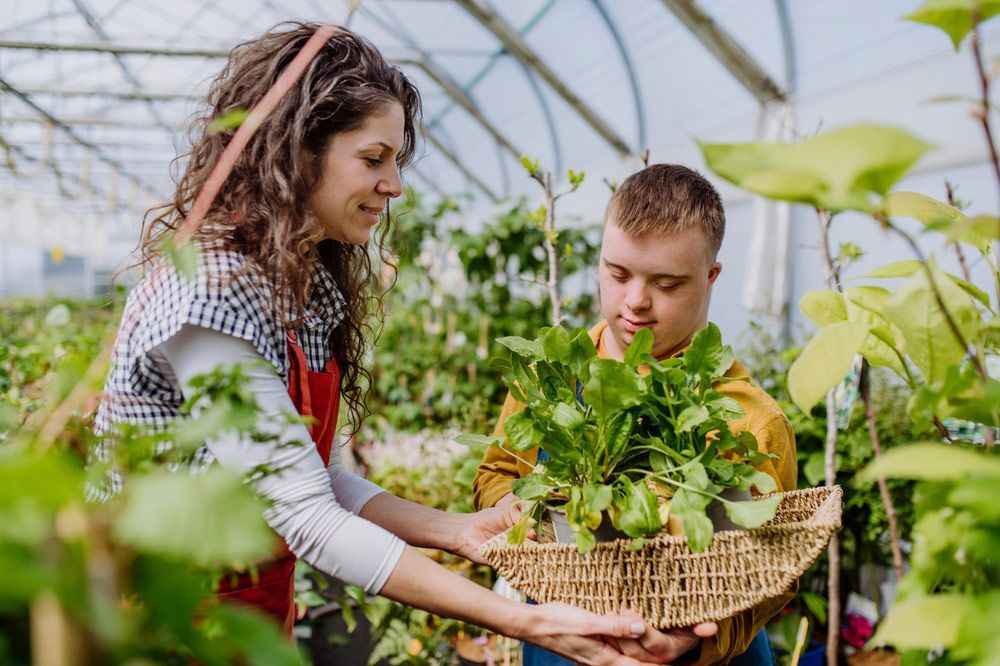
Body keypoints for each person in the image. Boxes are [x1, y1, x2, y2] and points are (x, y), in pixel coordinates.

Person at [91, 22, 681, 665]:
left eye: (396, 160)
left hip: (251, 619)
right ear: (297, 151)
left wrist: (458, 532)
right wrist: (526, 622)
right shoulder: (210, 288)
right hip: (158, 623)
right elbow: (306, 515)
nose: (394, 184)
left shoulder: (305, 282)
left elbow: (312, 477)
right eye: (373, 159)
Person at [473, 164, 798, 665]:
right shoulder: (552, 378)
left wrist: (695, 638)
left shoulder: (751, 418)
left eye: (667, 284)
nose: (635, 302)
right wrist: (522, 514)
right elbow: (496, 472)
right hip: (563, 643)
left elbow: (773, 571)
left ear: (711, 277)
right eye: (617, 273)